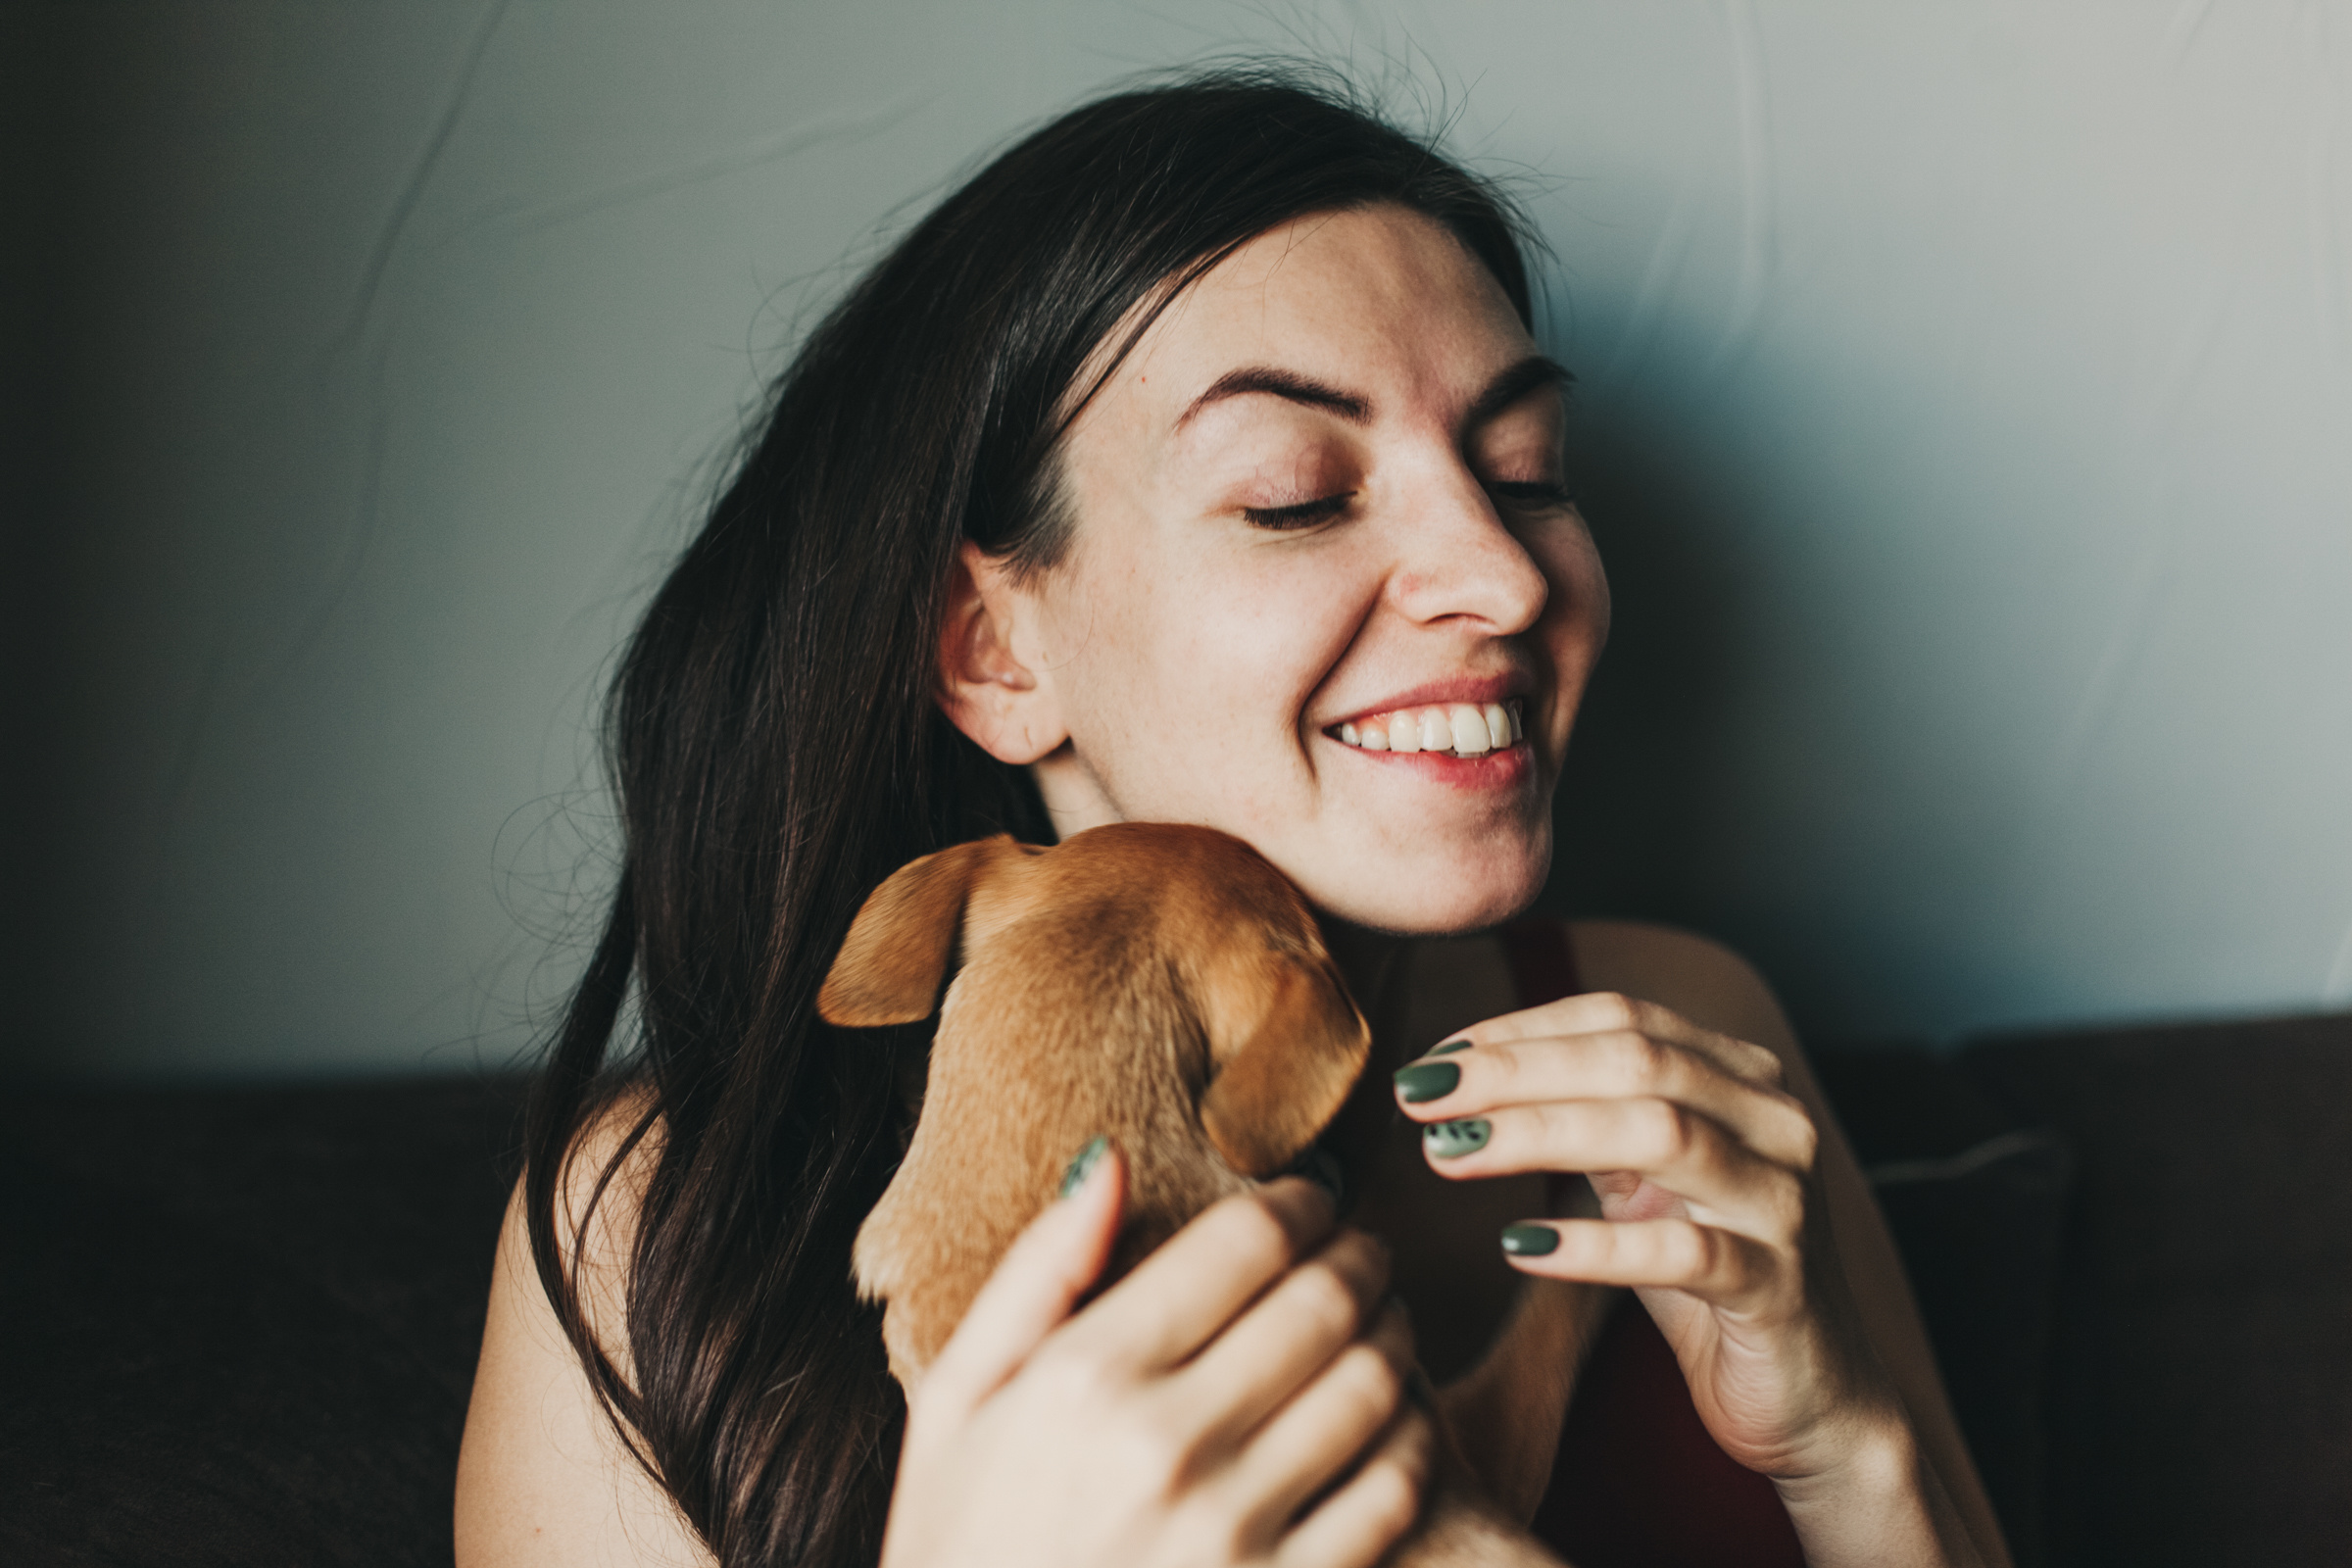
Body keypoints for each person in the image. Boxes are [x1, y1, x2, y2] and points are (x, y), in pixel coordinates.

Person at [453, 68, 2012, 1568]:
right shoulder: (658, 1229)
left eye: (1527, 470)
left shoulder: (1678, 1027)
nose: (1512, 575)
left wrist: (1852, 1451)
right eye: (1296, 495)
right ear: (994, 652)